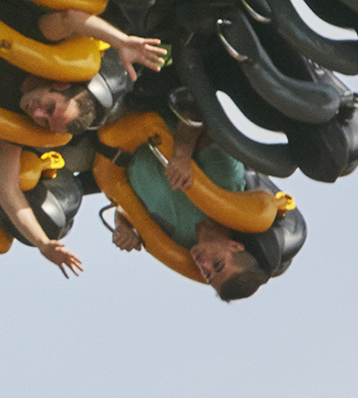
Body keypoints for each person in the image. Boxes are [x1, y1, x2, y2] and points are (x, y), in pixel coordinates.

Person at [104, 114, 303, 301]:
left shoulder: (178, 241)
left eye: (207, 275)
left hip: (104, 152)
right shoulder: (227, 183)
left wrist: (123, 227)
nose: (204, 265)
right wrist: (182, 154)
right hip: (133, 112)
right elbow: (197, 115)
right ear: (235, 246)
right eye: (218, 264)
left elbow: (125, 208)